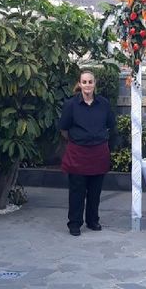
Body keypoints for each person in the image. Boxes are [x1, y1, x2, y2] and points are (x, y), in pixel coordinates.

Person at [58, 69, 116, 236]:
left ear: (94, 84)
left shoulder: (104, 103)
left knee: (95, 191)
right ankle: (74, 224)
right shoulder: (71, 104)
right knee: (77, 191)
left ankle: (93, 221)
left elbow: (111, 125)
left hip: (98, 153)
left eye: (90, 82)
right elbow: (63, 128)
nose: (87, 85)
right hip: (78, 153)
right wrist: (78, 140)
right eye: (84, 82)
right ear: (80, 84)